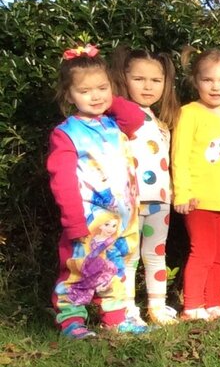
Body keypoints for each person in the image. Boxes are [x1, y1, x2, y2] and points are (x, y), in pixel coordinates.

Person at [47, 44, 148, 339]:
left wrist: (111, 99)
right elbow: (62, 180)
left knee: (114, 267)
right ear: (69, 96)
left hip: (123, 217)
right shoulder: (66, 133)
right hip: (88, 219)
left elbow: (137, 119)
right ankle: (71, 320)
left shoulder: (113, 122)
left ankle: (114, 318)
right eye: (85, 90)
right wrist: (73, 221)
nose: (95, 96)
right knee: (78, 269)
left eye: (102, 88)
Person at [172, 48, 220, 321]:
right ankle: (192, 306)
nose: (216, 87)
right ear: (195, 80)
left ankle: (213, 303)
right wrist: (182, 192)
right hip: (198, 199)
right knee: (201, 251)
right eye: (208, 80)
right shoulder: (188, 113)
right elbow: (178, 155)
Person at [112, 47, 180, 326]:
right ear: (123, 78)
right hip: (129, 199)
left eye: (156, 80)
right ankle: (126, 309)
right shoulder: (119, 115)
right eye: (139, 79)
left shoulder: (161, 122)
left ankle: (157, 306)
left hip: (160, 199)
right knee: (127, 256)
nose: (148, 86)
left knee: (155, 253)